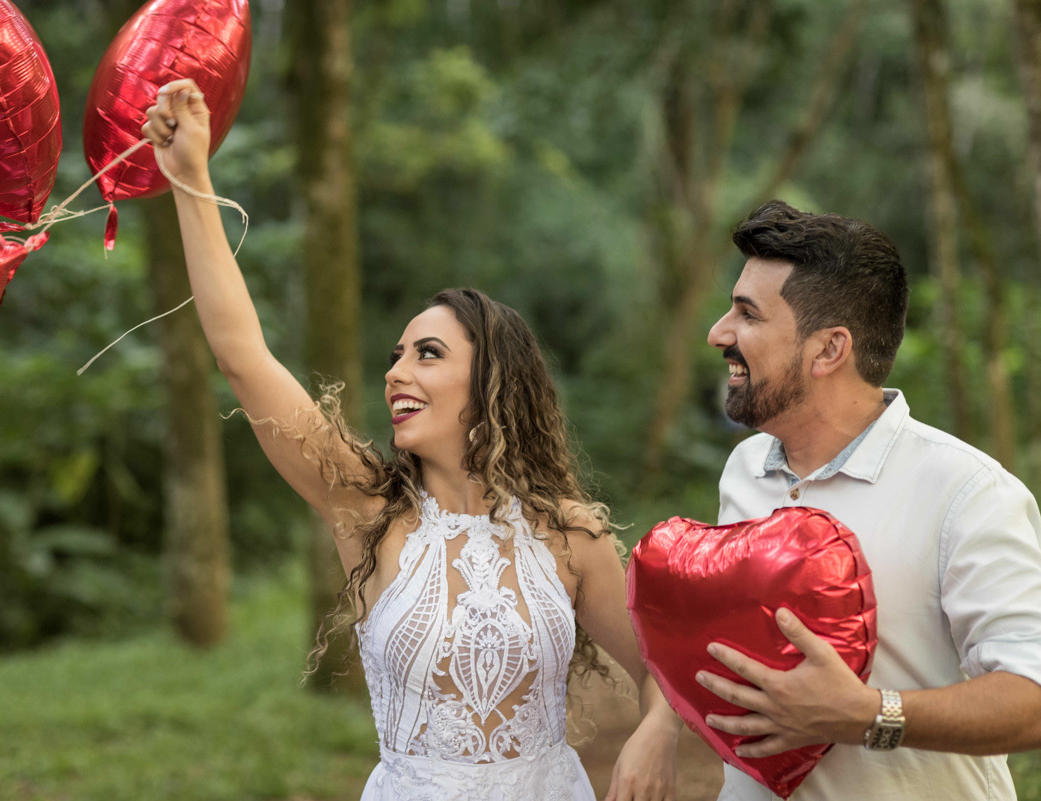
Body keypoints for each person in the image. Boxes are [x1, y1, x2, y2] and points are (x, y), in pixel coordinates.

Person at [139, 79, 681, 801]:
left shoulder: (570, 537)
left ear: (492, 381)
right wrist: (192, 181)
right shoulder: (368, 511)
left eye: (427, 354)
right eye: (395, 354)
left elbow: (666, 667)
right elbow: (244, 357)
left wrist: (658, 726)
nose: (396, 372)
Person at [699, 200, 1041, 800]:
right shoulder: (744, 468)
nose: (718, 333)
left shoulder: (969, 494)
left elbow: (1033, 698)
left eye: (747, 315)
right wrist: (657, 721)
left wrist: (869, 715)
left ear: (830, 350)